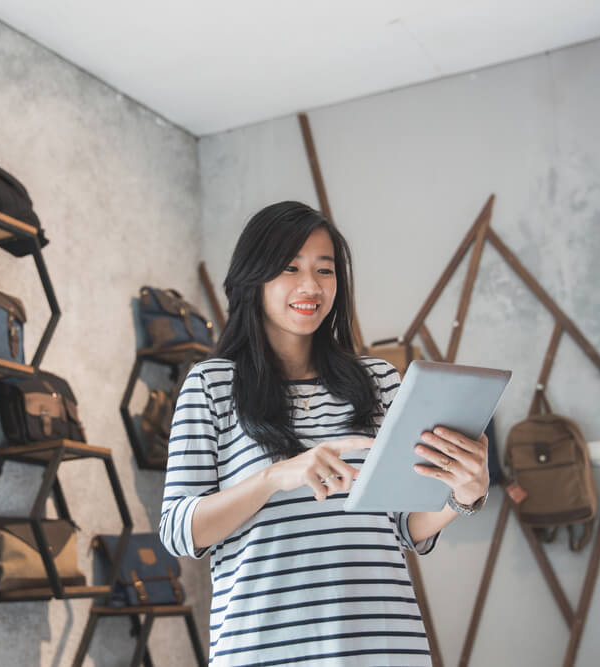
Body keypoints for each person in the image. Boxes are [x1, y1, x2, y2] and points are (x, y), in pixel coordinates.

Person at [158, 201, 489, 666]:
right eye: (289, 268)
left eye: (325, 270)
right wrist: (276, 477)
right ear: (255, 278)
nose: (310, 286)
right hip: (262, 649)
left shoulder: (377, 381)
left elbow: (401, 527)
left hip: (384, 645)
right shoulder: (211, 385)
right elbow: (178, 532)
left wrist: (463, 496)